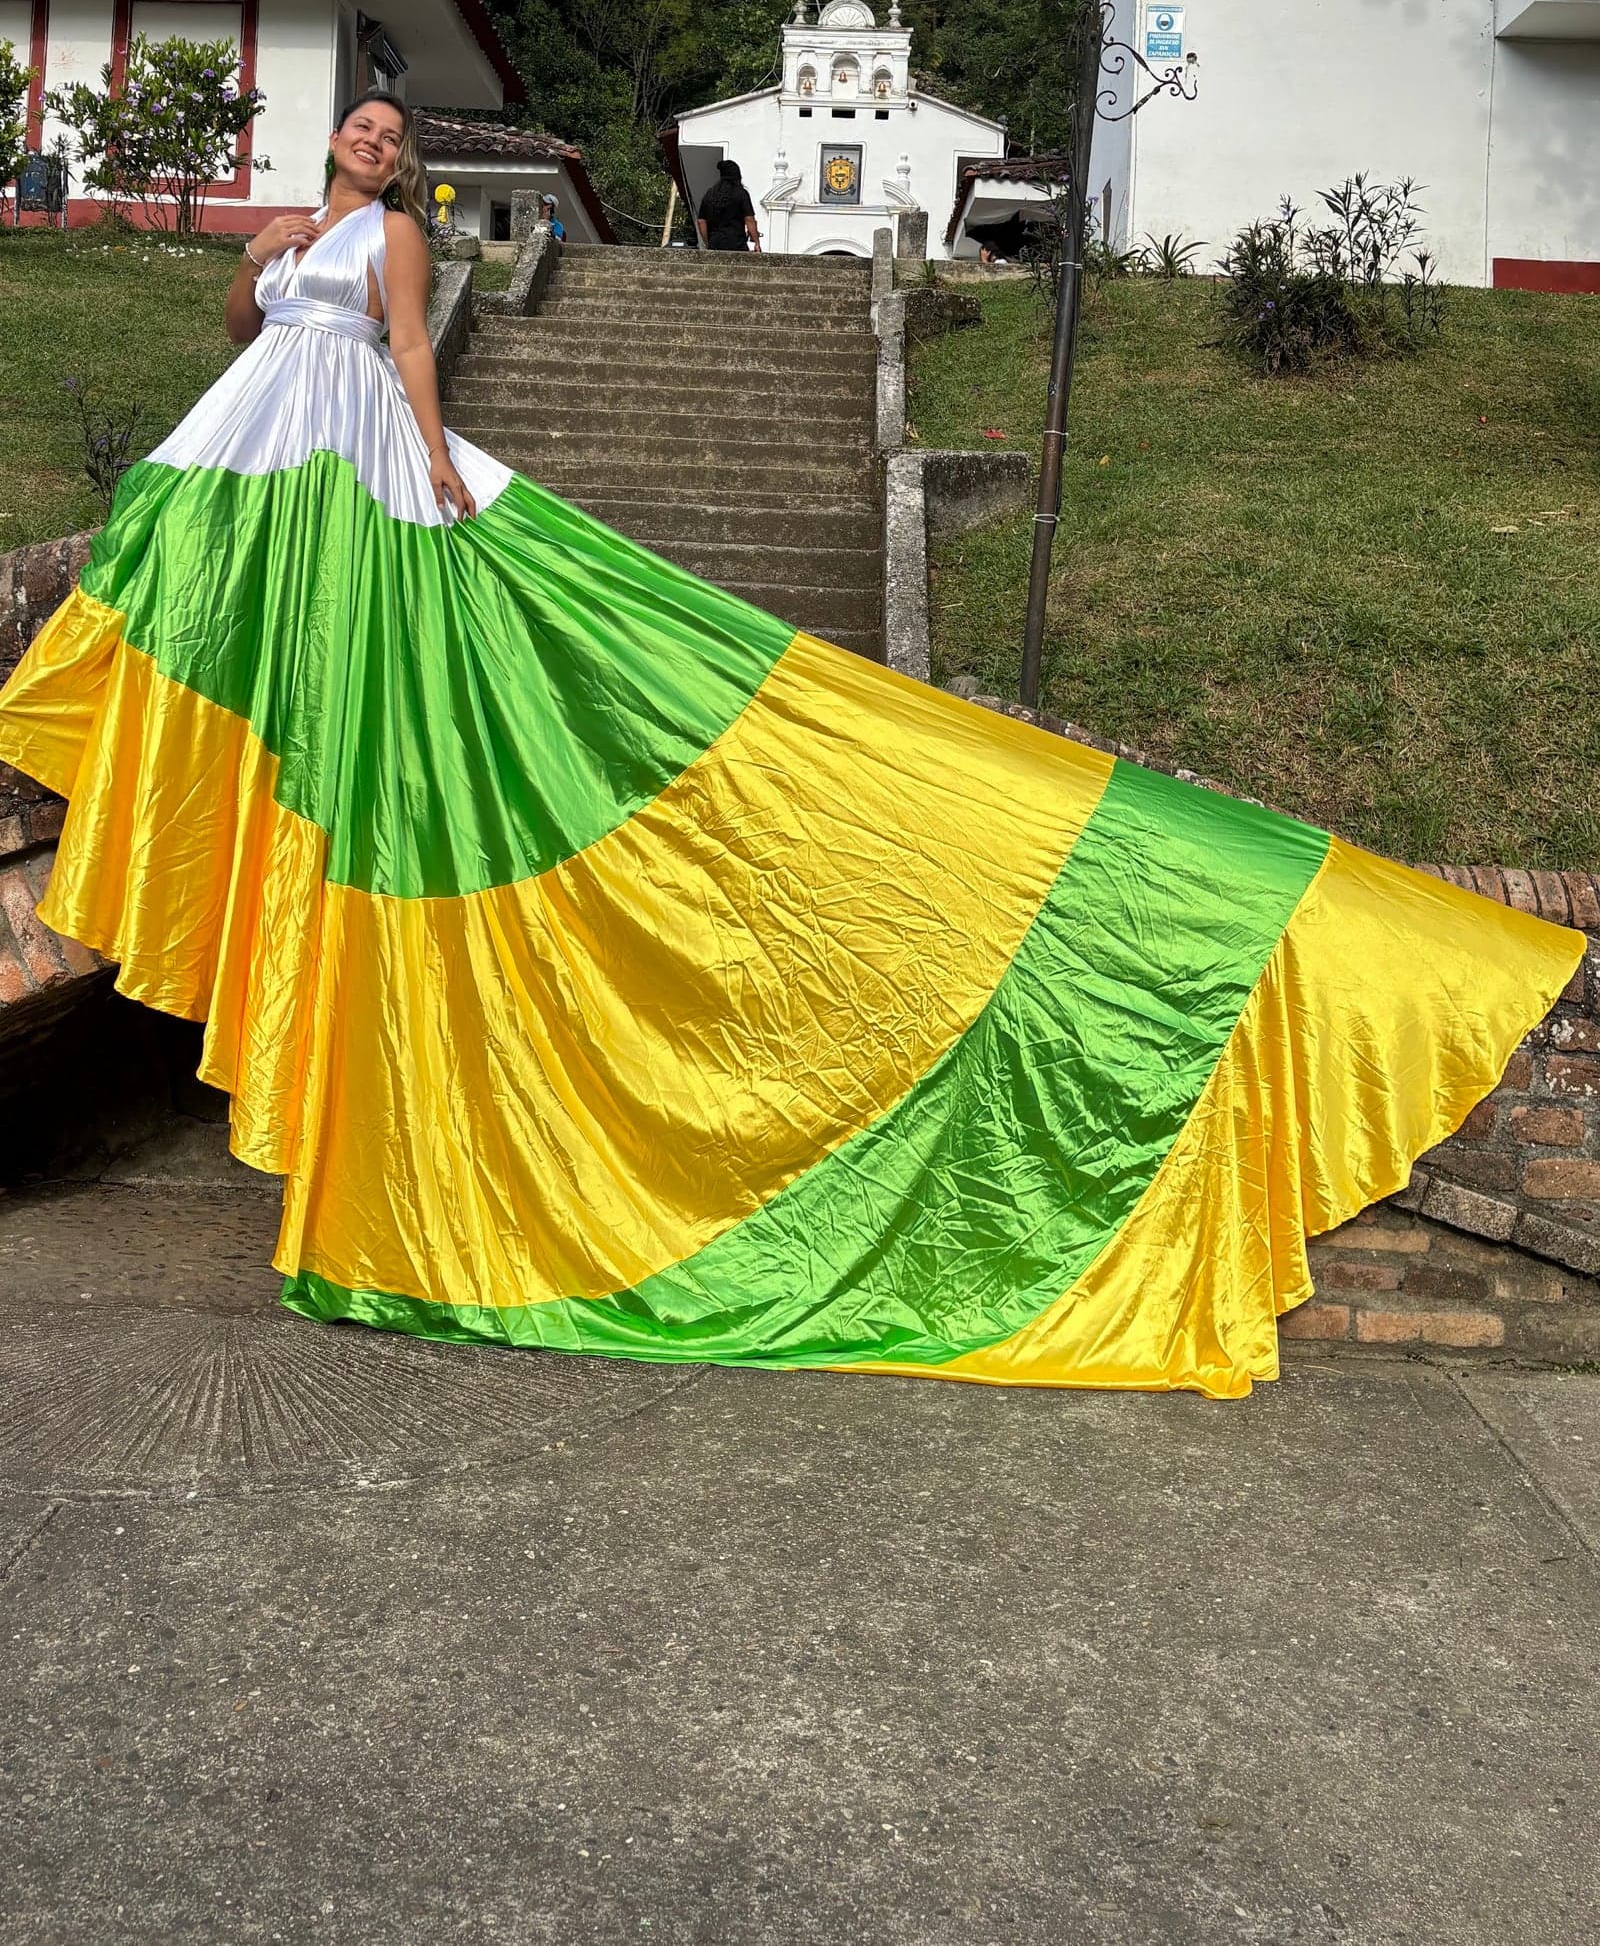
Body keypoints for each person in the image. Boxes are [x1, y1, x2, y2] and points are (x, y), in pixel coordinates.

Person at [0, 95, 1579, 1396]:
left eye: (389, 133)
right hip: (265, 490)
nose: (369, 140)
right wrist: (264, 251)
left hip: (362, 484)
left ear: (406, 166)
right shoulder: (299, 231)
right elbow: (237, 327)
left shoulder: (407, 237)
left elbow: (411, 352)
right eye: (354, 123)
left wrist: (438, 468)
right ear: (327, 143)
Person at [697, 159, 761, 254]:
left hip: (715, 243)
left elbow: (701, 221)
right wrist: (756, 242)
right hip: (736, 243)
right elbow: (749, 219)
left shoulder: (710, 193)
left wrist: (707, 243)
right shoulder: (741, 193)